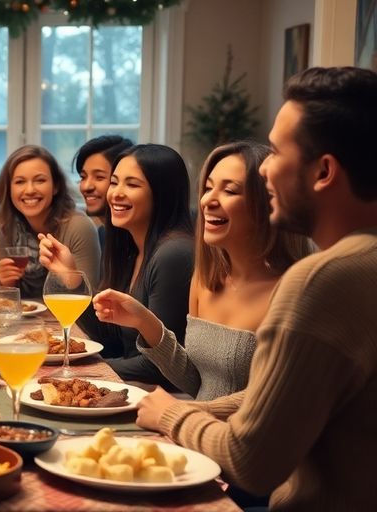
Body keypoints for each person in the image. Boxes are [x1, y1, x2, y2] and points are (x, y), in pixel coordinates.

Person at [136, 67, 377, 511]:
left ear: (324, 171)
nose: (264, 169)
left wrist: (173, 414)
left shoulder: (323, 279)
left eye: (278, 152)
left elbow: (252, 462)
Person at [90, 141, 312, 400]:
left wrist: (178, 415)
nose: (207, 200)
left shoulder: (290, 291)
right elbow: (195, 382)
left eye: (229, 190)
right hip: (193, 428)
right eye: (207, 188)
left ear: (267, 205)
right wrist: (145, 322)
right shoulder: (205, 280)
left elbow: (269, 402)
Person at [40, 144, 194, 386]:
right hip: (134, 386)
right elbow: (109, 338)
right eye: (114, 182)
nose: (115, 194)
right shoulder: (131, 249)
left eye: (132, 184)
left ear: (162, 193)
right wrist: (71, 278)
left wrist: (73, 369)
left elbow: (159, 366)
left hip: (161, 394)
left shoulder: (173, 254)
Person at [0, 145, 101, 298]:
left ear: (55, 186)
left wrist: (71, 278)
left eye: (40, 180)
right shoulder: (5, 227)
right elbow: (4, 304)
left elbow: (89, 303)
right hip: (23, 320)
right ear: (8, 189)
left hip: (66, 320)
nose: (29, 190)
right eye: (20, 182)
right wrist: (4, 283)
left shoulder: (79, 227)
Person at [75, 135, 134, 246]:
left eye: (99, 177)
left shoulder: (138, 239)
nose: (87, 186)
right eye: (83, 177)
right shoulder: (102, 234)